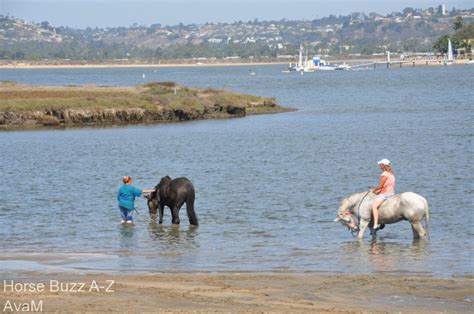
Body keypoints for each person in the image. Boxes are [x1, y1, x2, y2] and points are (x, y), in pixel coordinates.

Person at [370, 159, 396, 231]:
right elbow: (387, 185)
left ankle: (375, 225)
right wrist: (377, 191)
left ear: (383, 165)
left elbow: (380, 186)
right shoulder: (391, 174)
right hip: (392, 192)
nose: (379, 166)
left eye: (380, 165)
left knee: (374, 206)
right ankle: (382, 221)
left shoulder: (384, 174)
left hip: (385, 193)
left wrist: (373, 190)